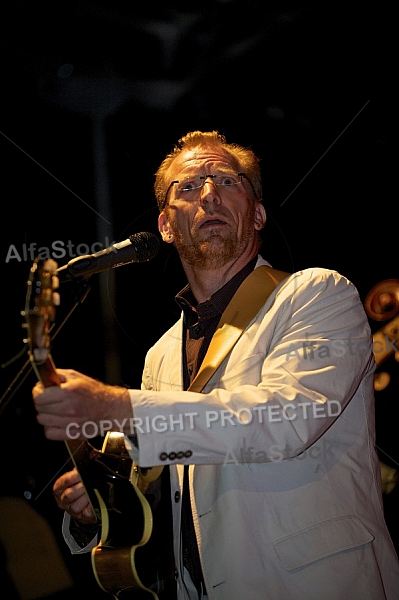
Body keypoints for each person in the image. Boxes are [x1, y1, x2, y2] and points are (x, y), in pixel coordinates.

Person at [32, 130, 399, 600]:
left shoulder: (315, 294)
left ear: (258, 212)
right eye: (187, 187)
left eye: (227, 180)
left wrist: (119, 406)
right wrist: (101, 503)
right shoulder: (161, 354)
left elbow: (286, 419)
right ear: (165, 226)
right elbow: (170, 491)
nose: (208, 194)